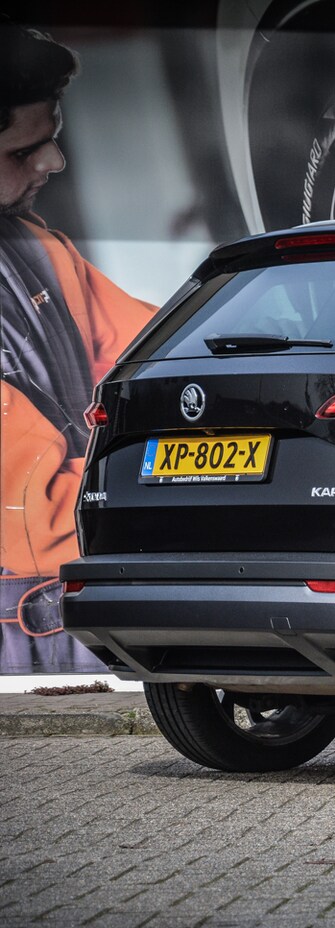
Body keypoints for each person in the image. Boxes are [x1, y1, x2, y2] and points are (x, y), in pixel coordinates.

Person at [1, 24, 154, 672]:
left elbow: (152, 353)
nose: (54, 162)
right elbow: (29, 515)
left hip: (74, 606)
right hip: (23, 628)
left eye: (53, 137)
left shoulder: (36, 250)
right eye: (25, 150)